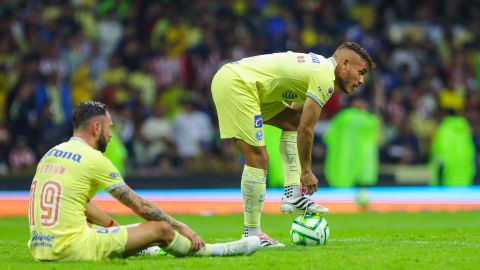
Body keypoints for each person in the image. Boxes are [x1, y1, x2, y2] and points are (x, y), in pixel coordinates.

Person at [27, 101, 260, 262]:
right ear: (96, 127)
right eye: (110, 128)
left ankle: (138, 247)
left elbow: (78, 202)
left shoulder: (52, 153)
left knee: (103, 228)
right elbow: (140, 206)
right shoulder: (93, 159)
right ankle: (210, 251)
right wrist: (182, 227)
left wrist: (111, 227)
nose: (110, 135)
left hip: (41, 248)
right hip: (71, 250)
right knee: (161, 228)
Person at [211, 42, 374, 246]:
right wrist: (306, 172)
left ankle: (292, 194)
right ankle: (252, 233)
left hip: (246, 84)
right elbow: (307, 130)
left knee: (291, 122)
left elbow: (297, 120)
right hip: (238, 84)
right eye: (361, 72)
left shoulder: (318, 69)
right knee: (258, 158)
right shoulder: (324, 78)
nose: (361, 80)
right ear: (345, 64)